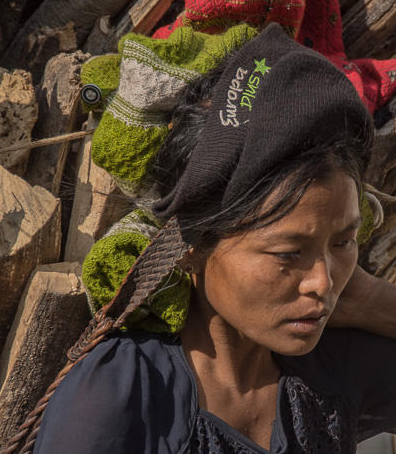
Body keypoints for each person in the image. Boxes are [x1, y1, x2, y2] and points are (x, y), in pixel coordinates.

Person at [32, 24, 396, 453]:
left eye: (342, 243)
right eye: (288, 252)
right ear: (192, 246)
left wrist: (368, 300)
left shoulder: (330, 368)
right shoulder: (121, 396)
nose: (323, 281)